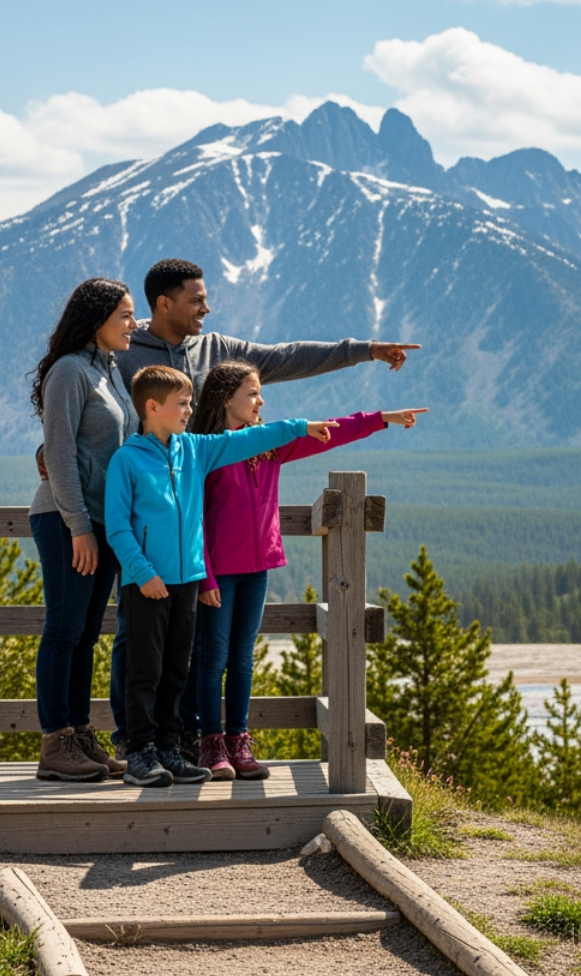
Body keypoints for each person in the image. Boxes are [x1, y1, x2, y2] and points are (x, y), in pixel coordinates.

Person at [105, 258, 421, 759]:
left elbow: (290, 359)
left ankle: (188, 741)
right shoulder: (120, 350)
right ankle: (136, 741)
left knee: (202, 654)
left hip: (212, 564)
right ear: (164, 303)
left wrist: (366, 358)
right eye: (196, 298)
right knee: (142, 646)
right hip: (158, 546)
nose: (206, 306)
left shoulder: (219, 372)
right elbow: (87, 408)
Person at [185, 360, 424, 779]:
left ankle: (239, 744)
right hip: (218, 573)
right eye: (253, 393)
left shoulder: (272, 447)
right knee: (211, 659)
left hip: (257, 569)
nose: (262, 401)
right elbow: (195, 520)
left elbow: (331, 432)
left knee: (242, 659)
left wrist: (381, 419)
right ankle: (210, 747)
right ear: (227, 399)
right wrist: (203, 577)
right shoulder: (206, 448)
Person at [104, 364, 338, 787]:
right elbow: (117, 525)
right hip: (146, 586)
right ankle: (139, 753)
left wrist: (301, 427)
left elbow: (252, 438)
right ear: (153, 407)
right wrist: (142, 573)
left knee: (178, 670)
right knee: (144, 671)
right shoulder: (127, 460)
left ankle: (169, 751)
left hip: (187, 581)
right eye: (182, 404)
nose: (190, 410)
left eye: (190, 402)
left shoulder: (195, 449)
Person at [27, 279, 139, 781]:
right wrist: (79, 528)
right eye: (125, 315)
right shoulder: (70, 372)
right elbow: (59, 454)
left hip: (101, 521)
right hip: (66, 519)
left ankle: (77, 732)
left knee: (87, 634)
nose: (133, 324)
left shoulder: (109, 372)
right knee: (64, 629)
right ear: (97, 319)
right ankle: (55, 742)